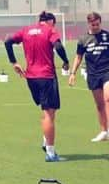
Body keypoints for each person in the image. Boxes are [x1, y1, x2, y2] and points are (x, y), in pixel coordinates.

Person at [5, 11, 71, 162]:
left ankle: (45, 141)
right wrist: (66, 61)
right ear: (50, 22)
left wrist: (14, 62)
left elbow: (7, 41)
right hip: (46, 76)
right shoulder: (49, 30)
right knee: (48, 113)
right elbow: (59, 46)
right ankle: (50, 153)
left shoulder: (26, 30)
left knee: (49, 110)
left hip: (31, 77)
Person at [69, 12, 109, 142]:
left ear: (100, 23)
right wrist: (73, 73)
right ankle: (103, 131)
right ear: (88, 24)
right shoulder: (83, 39)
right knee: (99, 104)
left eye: (97, 24)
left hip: (108, 71)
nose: (95, 26)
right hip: (93, 74)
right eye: (93, 24)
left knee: (108, 98)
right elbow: (78, 57)